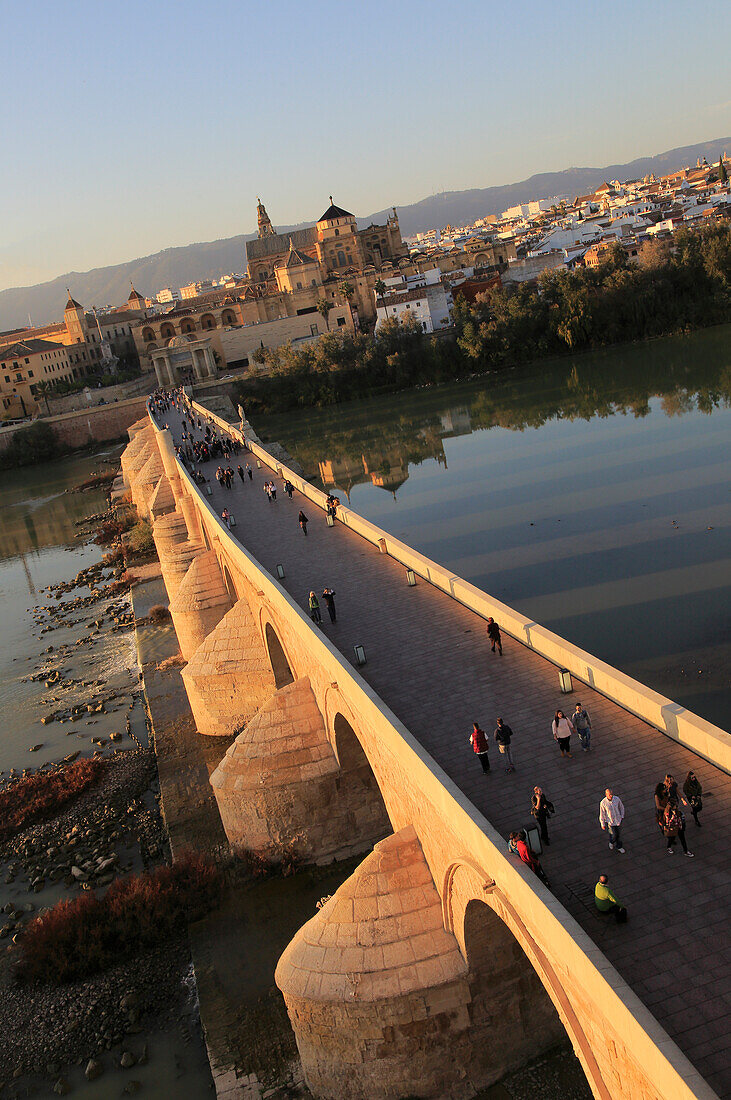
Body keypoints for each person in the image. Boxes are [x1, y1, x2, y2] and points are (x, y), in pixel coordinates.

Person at [599, 788, 626, 853]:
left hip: (618, 820)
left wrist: (622, 815)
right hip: (610, 822)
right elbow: (602, 813)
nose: (611, 796)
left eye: (611, 794)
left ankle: (619, 846)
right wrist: (602, 823)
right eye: (609, 794)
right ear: (606, 795)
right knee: (614, 834)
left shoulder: (617, 799)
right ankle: (611, 841)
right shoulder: (603, 803)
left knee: (618, 834)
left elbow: (621, 807)